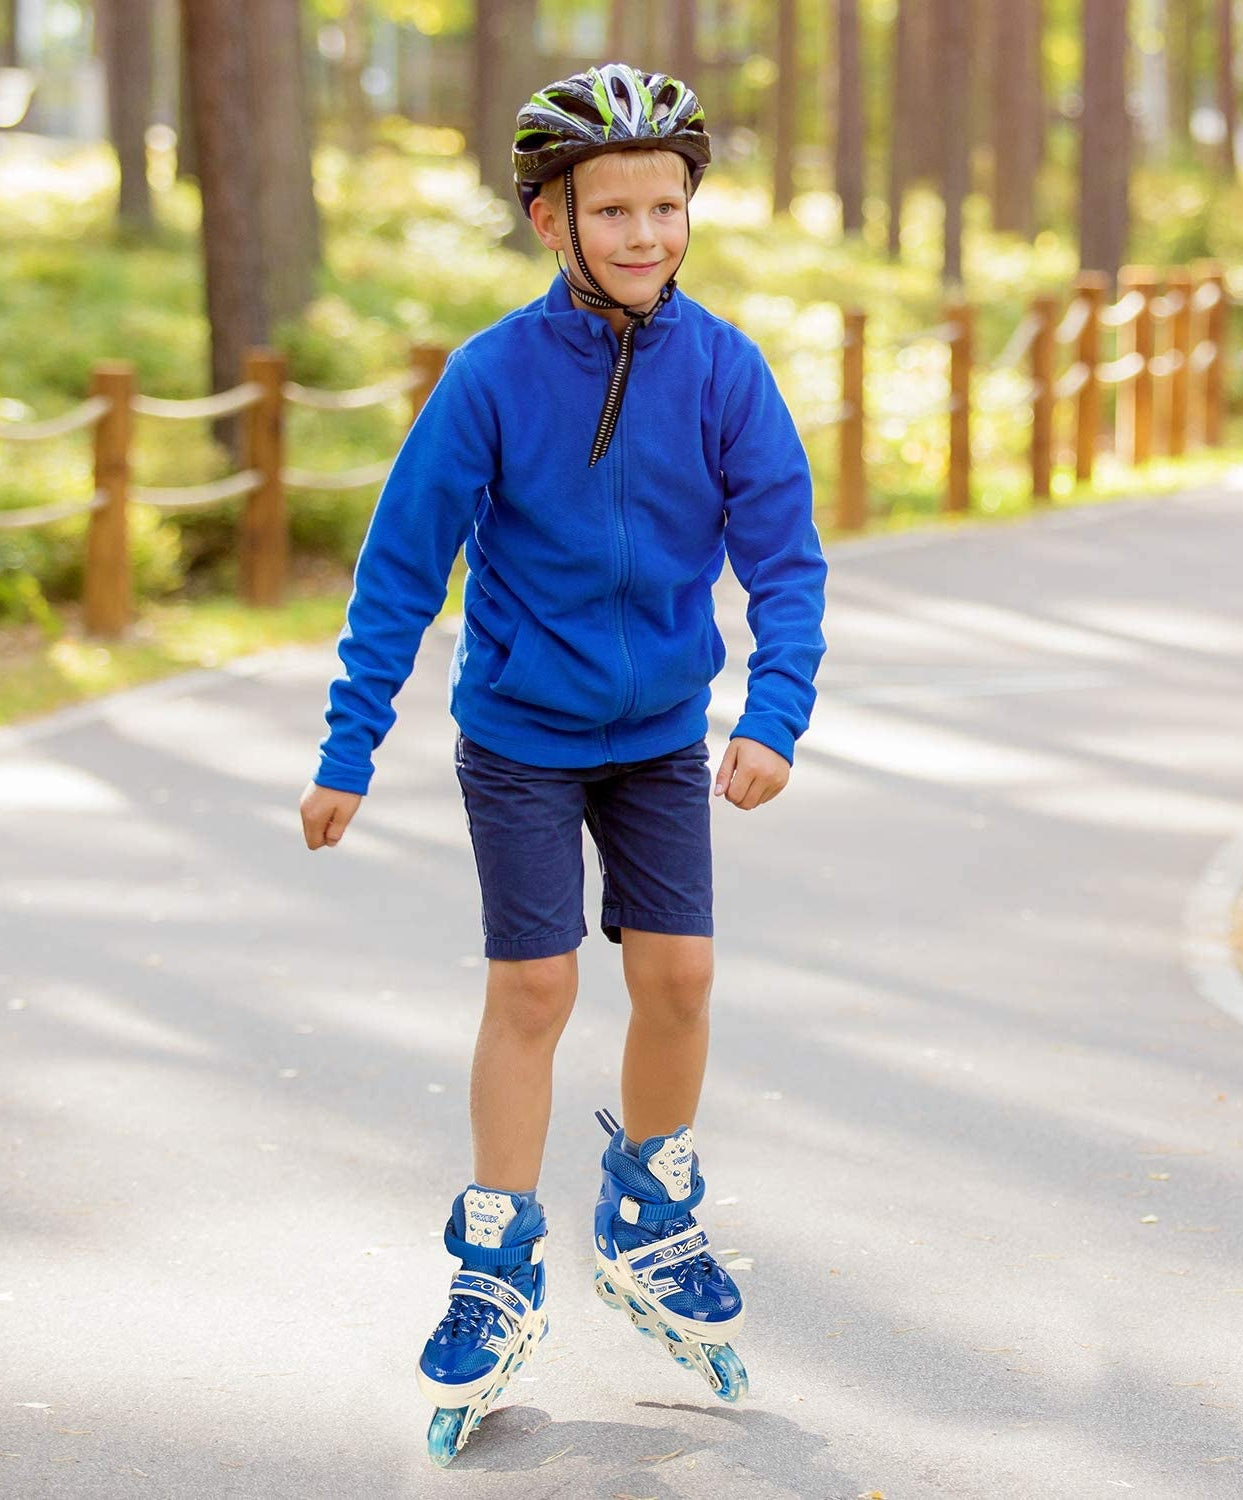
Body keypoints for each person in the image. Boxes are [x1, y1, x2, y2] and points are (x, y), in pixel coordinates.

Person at [299, 62, 827, 1466]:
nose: (646, 232)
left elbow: (785, 556)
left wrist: (773, 712)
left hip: (659, 737)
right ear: (551, 220)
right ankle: (496, 1256)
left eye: (667, 204)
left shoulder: (722, 369)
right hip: (522, 739)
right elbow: (400, 570)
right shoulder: (490, 379)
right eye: (613, 209)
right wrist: (350, 745)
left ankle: (649, 1210)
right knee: (532, 987)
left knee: (679, 978)